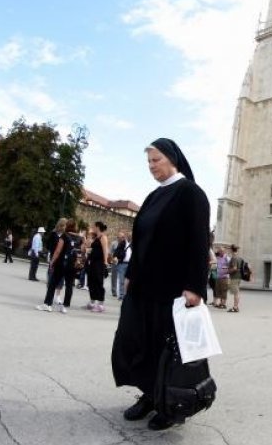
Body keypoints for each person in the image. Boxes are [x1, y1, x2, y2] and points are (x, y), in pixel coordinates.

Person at [112, 138, 211, 432]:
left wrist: (195, 287)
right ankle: (149, 394)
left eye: (155, 160)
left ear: (172, 159)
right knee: (139, 341)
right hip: (144, 285)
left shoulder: (191, 194)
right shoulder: (154, 196)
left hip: (173, 290)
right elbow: (142, 238)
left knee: (166, 349)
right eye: (149, 162)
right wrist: (132, 273)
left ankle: (170, 405)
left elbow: (198, 242)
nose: (151, 166)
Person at [36, 219, 82, 313]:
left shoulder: (64, 236)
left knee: (52, 284)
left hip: (61, 263)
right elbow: (80, 251)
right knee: (69, 285)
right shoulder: (79, 238)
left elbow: (58, 251)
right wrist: (78, 261)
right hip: (72, 264)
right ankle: (65, 306)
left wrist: (52, 262)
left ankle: (47, 304)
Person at [85, 221, 109, 312]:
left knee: (99, 282)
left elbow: (105, 250)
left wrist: (105, 262)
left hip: (99, 263)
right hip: (93, 262)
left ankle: (100, 305)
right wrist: (89, 235)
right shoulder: (95, 237)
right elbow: (88, 246)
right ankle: (92, 302)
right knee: (91, 281)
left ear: (98, 227)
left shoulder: (103, 237)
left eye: (94, 226)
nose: (93, 228)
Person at [111, 232, 131, 300]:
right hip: (122, 263)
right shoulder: (122, 243)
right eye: (128, 236)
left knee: (128, 281)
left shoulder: (134, 244)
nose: (129, 237)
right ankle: (122, 295)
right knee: (122, 280)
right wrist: (115, 257)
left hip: (130, 264)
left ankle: (127, 295)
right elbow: (116, 252)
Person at [227, 245, 243, 313]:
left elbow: (234, 268)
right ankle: (236, 306)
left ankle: (235, 307)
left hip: (234, 277)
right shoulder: (239, 258)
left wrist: (227, 271)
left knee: (236, 293)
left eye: (229, 249)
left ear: (231, 250)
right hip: (239, 276)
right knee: (237, 292)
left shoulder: (234, 258)